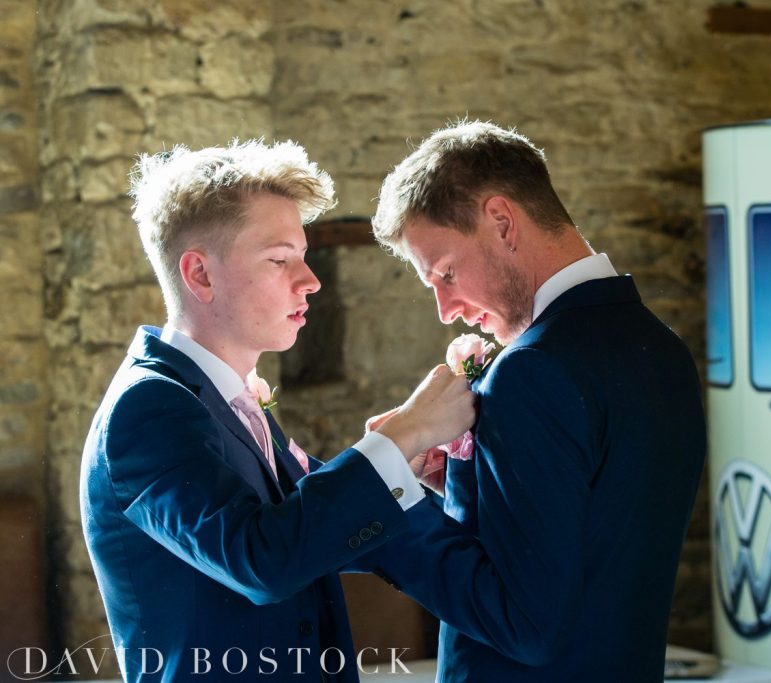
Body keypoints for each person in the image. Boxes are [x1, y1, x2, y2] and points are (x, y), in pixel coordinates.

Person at [79, 140, 475, 682]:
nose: (310, 280)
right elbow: (262, 560)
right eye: (279, 259)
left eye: (304, 256)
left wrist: (428, 476)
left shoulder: (228, 400)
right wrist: (404, 432)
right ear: (199, 274)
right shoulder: (147, 409)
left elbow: (311, 527)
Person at [359, 121, 707, 682]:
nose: (446, 309)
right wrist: (468, 484)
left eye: (446, 273)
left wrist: (391, 499)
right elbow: (597, 529)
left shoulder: (531, 372)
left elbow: (524, 623)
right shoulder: (664, 350)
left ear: (501, 221)